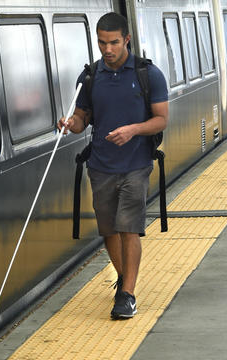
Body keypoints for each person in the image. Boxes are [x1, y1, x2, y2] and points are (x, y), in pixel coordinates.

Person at [58, 12, 168, 319]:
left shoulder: (149, 74)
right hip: (101, 165)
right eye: (102, 43)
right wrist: (71, 123)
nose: (108, 49)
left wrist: (133, 129)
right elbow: (82, 120)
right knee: (108, 229)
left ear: (126, 40)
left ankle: (127, 294)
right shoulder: (91, 77)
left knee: (128, 228)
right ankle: (124, 278)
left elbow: (162, 119)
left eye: (114, 43)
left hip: (136, 163)